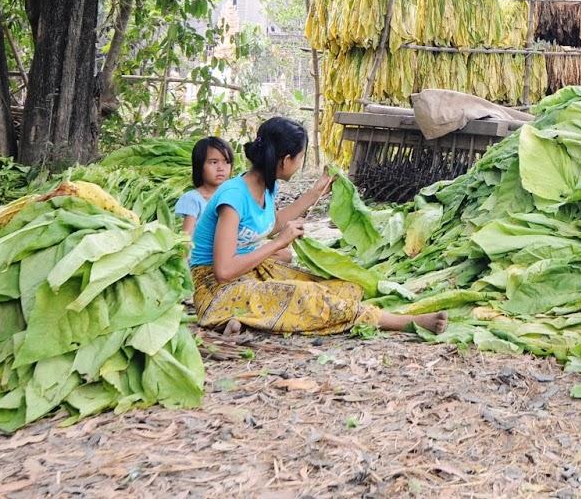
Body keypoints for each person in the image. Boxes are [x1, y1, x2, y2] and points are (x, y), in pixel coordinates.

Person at [188, 116, 445, 336]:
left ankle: (240, 318)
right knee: (310, 298)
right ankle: (402, 323)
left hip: (249, 273)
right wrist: (278, 243)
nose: (299, 164)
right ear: (285, 160)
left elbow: (271, 223)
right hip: (216, 288)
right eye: (299, 158)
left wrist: (316, 192)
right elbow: (223, 270)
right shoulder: (233, 197)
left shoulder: (265, 184)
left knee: (344, 287)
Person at [175, 136, 234, 237]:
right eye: (214, 162)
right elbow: (186, 239)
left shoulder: (233, 196)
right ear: (199, 166)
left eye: (226, 162)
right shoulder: (192, 199)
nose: (221, 168)